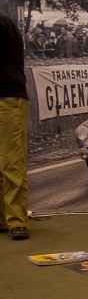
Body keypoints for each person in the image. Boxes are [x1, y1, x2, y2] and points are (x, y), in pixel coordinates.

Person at [0, 15, 30, 240]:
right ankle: (3, 219)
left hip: (8, 97)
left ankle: (17, 220)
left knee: (11, 162)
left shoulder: (3, 23)